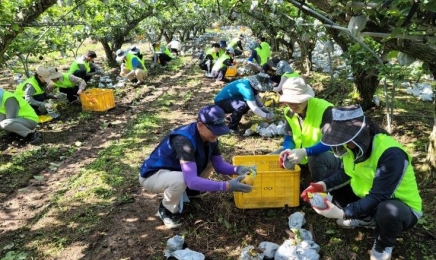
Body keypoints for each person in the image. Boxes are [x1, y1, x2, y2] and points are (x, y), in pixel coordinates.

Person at [300, 105, 422, 260]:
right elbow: (345, 173)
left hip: (401, 208)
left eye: (345, 140)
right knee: (331, 176)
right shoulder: (353, 147)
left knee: (388, 210)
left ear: (360, 135)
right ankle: (366, 218)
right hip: (369, 196)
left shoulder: (391, 154)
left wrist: (344, 213)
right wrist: (322, 185)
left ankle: (383, 247)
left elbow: (380, 196)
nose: (342, 144)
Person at [139, 105, 254, 228]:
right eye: (214, 130)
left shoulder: (210, 138)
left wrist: (237, 169)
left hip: (176, 170)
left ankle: (190, 192)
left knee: (207, 160)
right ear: (200, 125)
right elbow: (192, 181)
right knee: (181, 179)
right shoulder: (184, 141)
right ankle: (166, 209)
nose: (217, 134)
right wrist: (227, 186)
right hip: (153, 176)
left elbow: (219, 165)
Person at [277, 78, 341, 182]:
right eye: (290, 102)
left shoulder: (324, 109)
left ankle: (323, 189)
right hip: (303, 154)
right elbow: (289, 135)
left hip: (329, 156)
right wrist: (287, 149)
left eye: (298, 101)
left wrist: (305, 152)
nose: (293, 105)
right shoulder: (289, 112)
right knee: (276, 155)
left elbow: (330, 142)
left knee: (315, 158)